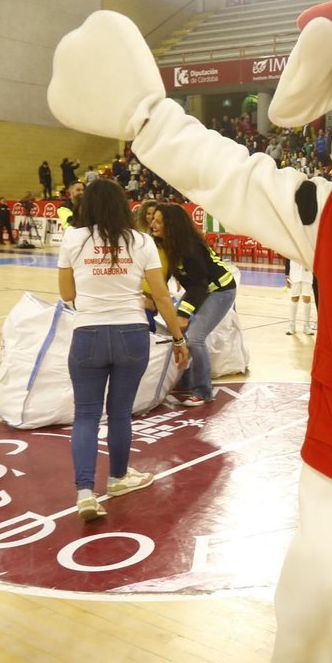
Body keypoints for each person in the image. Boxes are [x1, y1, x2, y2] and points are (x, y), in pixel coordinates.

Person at [56, 179, 187, 521]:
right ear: (121, 206)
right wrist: (177, 338)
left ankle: (85, 490)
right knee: (120, 412)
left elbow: (67, 294)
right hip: (132, 333)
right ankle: (118, 477)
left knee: (85, 415)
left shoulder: (72, 238)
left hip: (88, 333)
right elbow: (161, 296)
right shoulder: (141, 241)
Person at [152, 202, 238, 407]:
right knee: (172, 329)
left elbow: (199, 285)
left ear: (171, 226)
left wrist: (183, 313)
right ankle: (185, 380)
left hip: (220, 291)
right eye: (153, 219)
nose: (153, 224)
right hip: (200, 290)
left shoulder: (190, 248)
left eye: (158, 221)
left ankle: (203, 391)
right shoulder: (164, 244)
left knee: (195, 337)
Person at [285, 256, 316, 335]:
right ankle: (292, 325)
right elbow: (287, 257)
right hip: (294, 272)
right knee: (294, 297)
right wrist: (287, 274)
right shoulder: (292, 246)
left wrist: (309, 265)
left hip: (307, 273)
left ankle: (306, 325)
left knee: (307, 298)